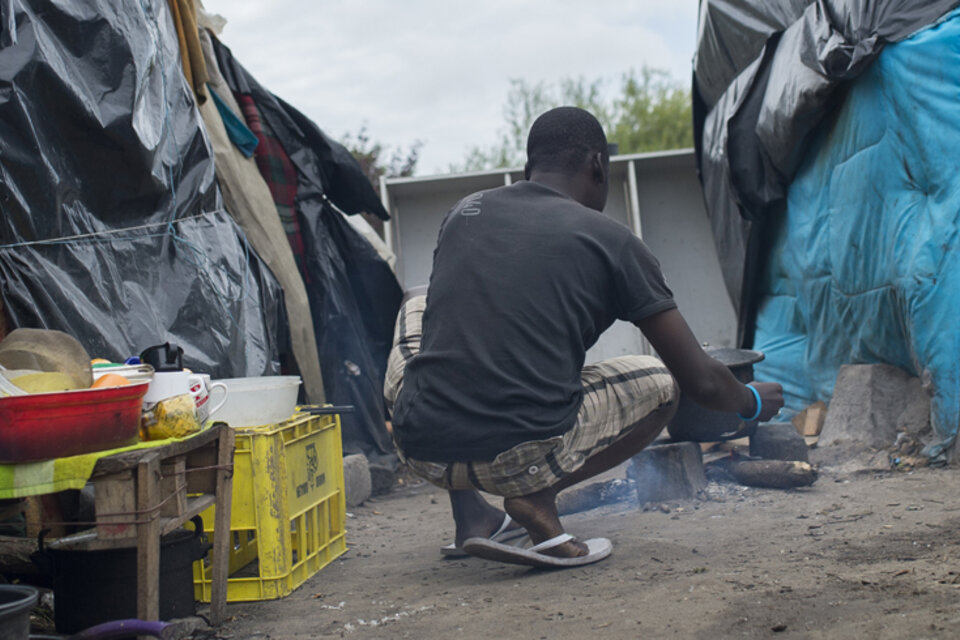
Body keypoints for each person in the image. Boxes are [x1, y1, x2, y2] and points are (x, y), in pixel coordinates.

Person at [384, 106, 783, 568]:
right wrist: (750, 400)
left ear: (528, 166)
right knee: (662, 382)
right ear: (597, 164)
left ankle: (473, 516)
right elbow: (703, 382)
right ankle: (539, 497)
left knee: (418, 299)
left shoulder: (463, 213)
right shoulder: (613, 242)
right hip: (520, 454)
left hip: (421, 446)